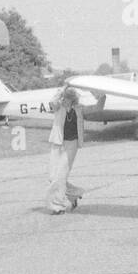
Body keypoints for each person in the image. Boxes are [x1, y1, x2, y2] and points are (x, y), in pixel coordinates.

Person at [46, 86, 85, 214]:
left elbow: (97, 108)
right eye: (64, 97)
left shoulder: (79, 109)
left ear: (73, 99)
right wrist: (61, 91)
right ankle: (74, 193)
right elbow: (52, 102)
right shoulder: (58, 107)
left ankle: (58, 206)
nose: (65, 100)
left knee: (60, 175)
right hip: (58, 142)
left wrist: (102, 95)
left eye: (68, 98)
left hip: (71, 144)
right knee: (53, 177)